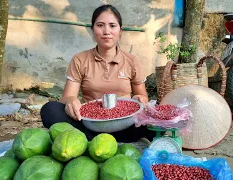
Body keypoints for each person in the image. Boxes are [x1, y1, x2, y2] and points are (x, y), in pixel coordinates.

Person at [40, 4, 155, 142]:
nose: (107, 31)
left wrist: (139, 99)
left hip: (125, 125)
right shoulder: (80, 59)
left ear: (120, 31)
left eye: (112, 26)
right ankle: (92, 138)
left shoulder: (132, 61)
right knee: (50, 110)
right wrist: (71, 101)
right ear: (92, 30)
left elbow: (142, 96)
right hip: (89, 124)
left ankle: (91, 140)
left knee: (156, 116)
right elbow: (67, 97)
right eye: (100, 25)